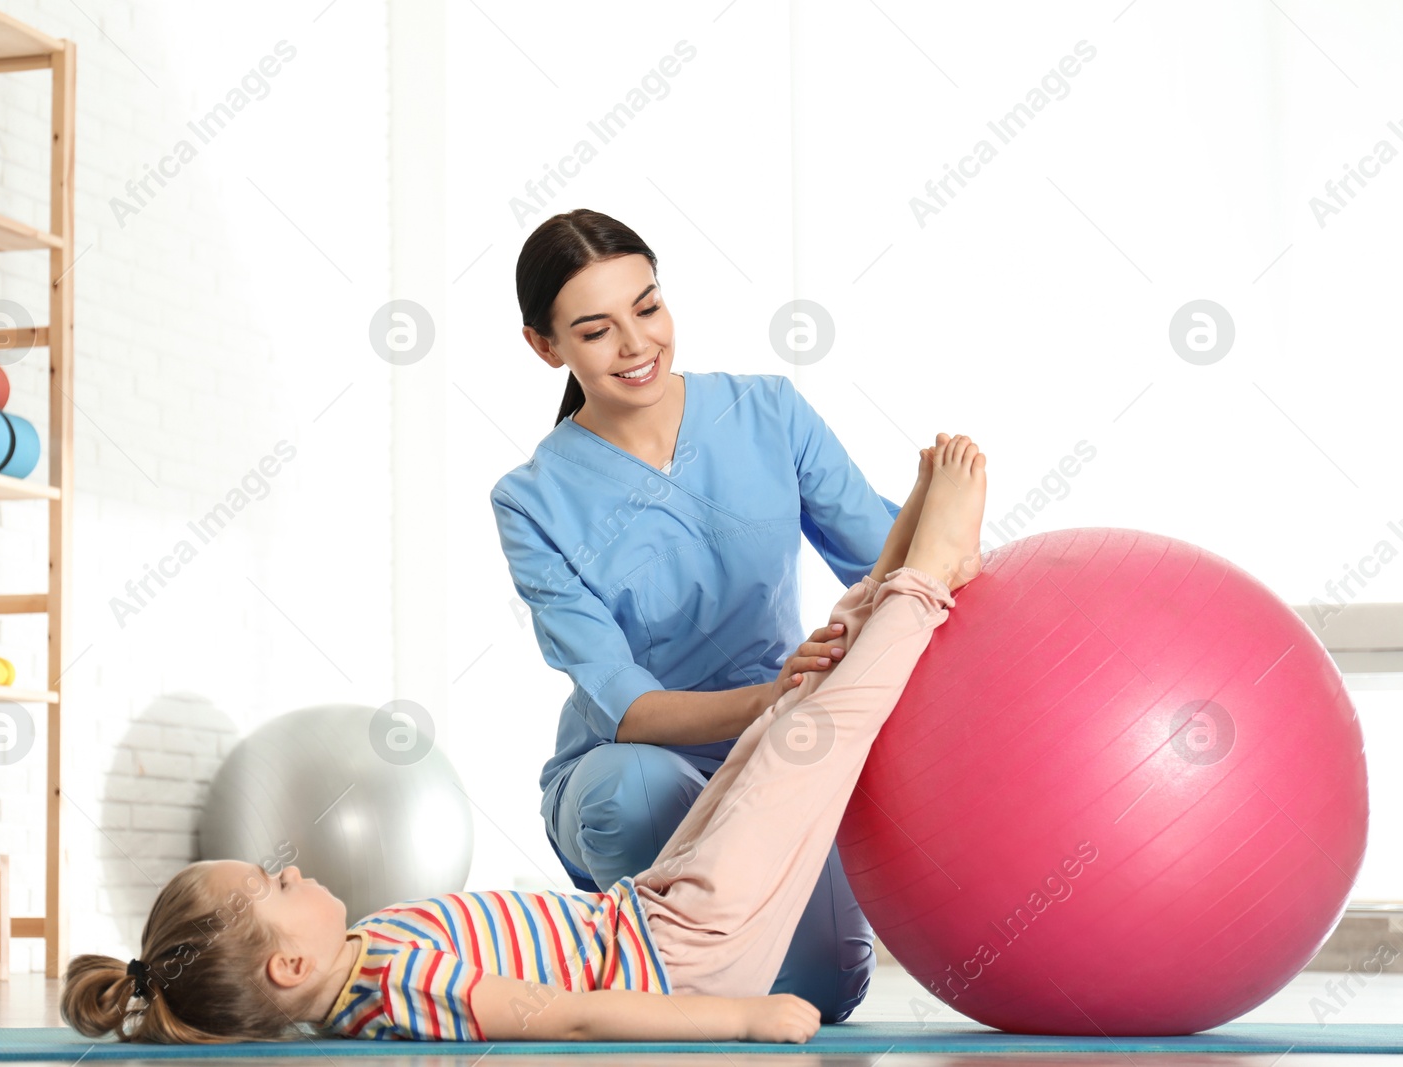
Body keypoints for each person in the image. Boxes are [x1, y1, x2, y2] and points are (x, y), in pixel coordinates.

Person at [60, 432, 988, 1044]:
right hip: (684, 951)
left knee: (779, 732)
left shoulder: (359, 961)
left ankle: (890, 570)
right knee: (808, 751)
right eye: (273, 883)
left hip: (649, 911)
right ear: (288, 963)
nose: (291, 868)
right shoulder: (392, 979)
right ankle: (925, 582)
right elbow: (570, 1017)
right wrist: (744, 1020)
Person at [490, 208, 913, 1021]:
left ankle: (657, 985)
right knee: (634, 789)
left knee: (824, 988)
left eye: (647, 307)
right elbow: (632, 707)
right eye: (595, 330)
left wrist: (951, 510)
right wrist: (778, 693)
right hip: (632, 766)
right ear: (548, 348)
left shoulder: (769, 413)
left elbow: (884, 559)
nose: (635, 344)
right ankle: (645, 981)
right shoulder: (532, 500)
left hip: (775, 756)